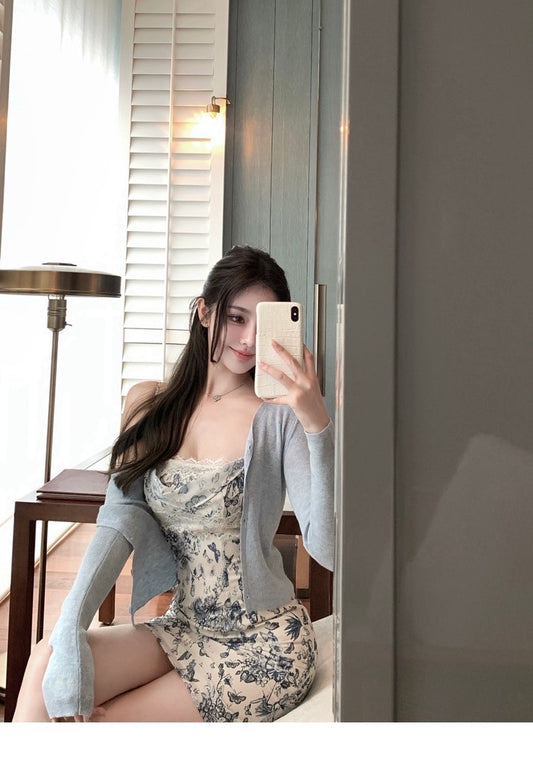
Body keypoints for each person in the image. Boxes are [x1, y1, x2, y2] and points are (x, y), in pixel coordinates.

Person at [13, 245, 335, 723]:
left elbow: (328, 549)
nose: (248, 339)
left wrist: (317, 424)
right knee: (47, 661)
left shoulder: (280, 417)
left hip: (264, 645)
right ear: (204, 312)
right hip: (182, 626)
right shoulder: (150, 406)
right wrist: (71, 628)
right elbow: (118, 521)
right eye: (236, 317)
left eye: (260, 322)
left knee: (98, 726)